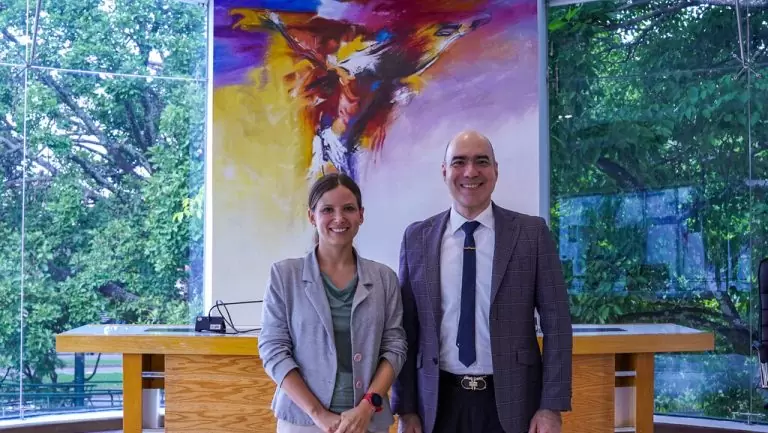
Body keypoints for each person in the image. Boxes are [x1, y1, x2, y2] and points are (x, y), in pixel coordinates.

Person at [390, 130, 573, 433]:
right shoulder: (416, 238)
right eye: (459, 162)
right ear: (444, 171)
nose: (470, 171)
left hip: (514, 404)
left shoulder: (531, 234)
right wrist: (406, 410)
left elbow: (557, 323)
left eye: (481, 161)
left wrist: (550, 407)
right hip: (435, 405)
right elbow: (405, 329)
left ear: (495, 170)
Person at [259, 173, 408, 433]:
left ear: (361, 215)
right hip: (303, 421)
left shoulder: (384, 278)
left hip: (367, 420)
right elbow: (273, 350)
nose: (339, 218)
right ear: (311, 216)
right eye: (327, 210)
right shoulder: (284, 276)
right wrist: (319, 414)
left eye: (348, 209)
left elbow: (395, 347)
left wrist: (366, 407)